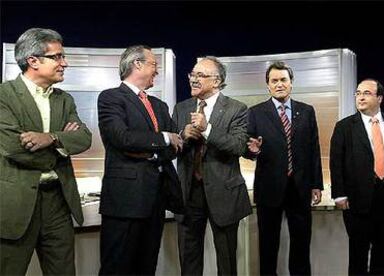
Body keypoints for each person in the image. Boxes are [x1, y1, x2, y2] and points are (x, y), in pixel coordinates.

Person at [0, 28, 92, 275]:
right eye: (58, 57)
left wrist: (50, 138)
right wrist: (62, 146)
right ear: (33, 61)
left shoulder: (65, 99)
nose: (65, 63)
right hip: (16, 205)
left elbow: (83, 138)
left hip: (58, 203)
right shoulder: (4, 95)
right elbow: (12, 148)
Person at [97, 45, 183, 275]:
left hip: (155, 199)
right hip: (124, 200)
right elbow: (122, 138)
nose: (157, 70)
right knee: (116, 267)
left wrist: (150, 147)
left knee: (147, 266)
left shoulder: (159, 106)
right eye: (154, 64)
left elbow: (174, 147)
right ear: (137, 64)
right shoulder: (111, 98)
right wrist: (162, 138)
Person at [172, 56, 252, 275]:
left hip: (224, 195)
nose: (193, 79)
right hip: (189, 195)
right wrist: (181, 135)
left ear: (216, 82)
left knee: (227, 262)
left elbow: (237, 145)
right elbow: (171, 148)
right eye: (192, 74)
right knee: (189, 260)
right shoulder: (181, 108)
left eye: (201, 75)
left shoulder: (237, 108)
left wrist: (207, 129)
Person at [246, 61, 323, 276]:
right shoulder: (255, 112)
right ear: (268, 86)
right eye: (274, 81)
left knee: (301, 245)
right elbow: (248, 149)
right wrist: (252, 150)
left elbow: (313, 150)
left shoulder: (307, 111)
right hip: (269, 189)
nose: (279, 84)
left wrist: (316, 184)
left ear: (291, 83)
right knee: (268, 246)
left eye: (283, 80)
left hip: (300, 188)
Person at [330, 78, 384, 275]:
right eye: (358, 93)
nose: (360, 96)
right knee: (358, 251)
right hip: (358, 197)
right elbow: (336, 163)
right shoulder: (345, 126)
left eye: (366, 93)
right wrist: (339, 194)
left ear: (380, 98)